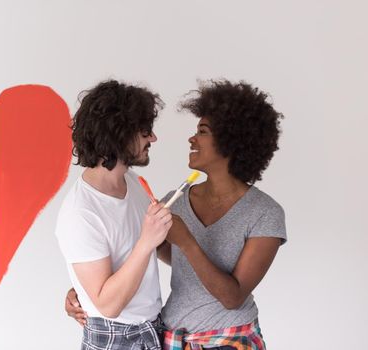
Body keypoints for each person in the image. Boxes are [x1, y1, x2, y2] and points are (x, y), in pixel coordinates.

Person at [66, 79, 286, 350]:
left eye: (202, 131)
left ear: (232, 140)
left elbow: (233, 297)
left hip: (229, 340)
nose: (192, 138)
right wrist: (83, 292)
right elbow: (141, 250)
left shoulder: (265, 213)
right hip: (168, 338)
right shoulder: (177, 200)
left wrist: (186, 242)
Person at [55, 79, 172, 350]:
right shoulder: (80, 212)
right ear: (118, 134)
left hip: (152, 329)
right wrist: (146, 242)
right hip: (115, 340)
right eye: (145, 131)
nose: (152, 138)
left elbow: (147, 251)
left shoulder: (133, 182)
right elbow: (108, 304)